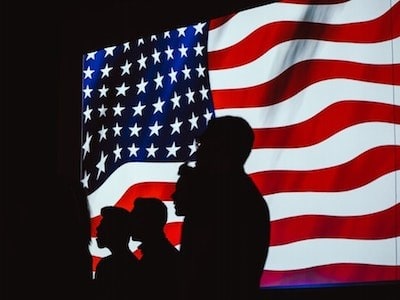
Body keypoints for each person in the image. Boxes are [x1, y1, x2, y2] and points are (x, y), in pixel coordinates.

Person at [172, 116, 271, 300]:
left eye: (204, 144)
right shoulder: (237, 196)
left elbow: (203, 272)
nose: (199, 152)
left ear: (220, 149)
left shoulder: (228, 201)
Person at [130, 197, 181, 300]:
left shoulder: (160, 259)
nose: (130, 223)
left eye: (135, 218)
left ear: (148, 222)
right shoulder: (164, 254)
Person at [94, 206, 140, 300]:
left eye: (103, 225)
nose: (98, 229)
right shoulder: (131, 264)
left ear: (115, 230)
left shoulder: (109, 266)